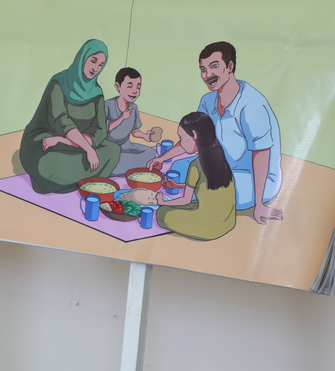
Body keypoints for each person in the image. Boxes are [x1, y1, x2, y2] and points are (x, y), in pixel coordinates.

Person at [149, 41, 282, 224]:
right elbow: (194, 138)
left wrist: (259, 205)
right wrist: (162, 158)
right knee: (178, 168)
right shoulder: (208, 101)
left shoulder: (252, 105)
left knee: (211, 190)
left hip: (252, 175)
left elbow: (261, 154)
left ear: (230, 67)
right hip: (220, 165)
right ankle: (189, 189)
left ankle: (191, 197)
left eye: (214, 66)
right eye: (203, 69)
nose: (207, 75)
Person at [19, 39, 119, 193]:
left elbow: (100, 129)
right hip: (45, 142)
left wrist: (71, 142)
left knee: (113, 150)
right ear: (83, 57)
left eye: (101, 65)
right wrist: (88, 150)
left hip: (72, 144)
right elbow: (61, 121)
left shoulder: (96, 92)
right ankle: (78, 178)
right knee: (49, 162)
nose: (96, 68)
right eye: (93, 61)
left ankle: (71, 178)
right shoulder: (59, 83)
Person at [156, 112, 237, 240]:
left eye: (182, 138)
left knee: (162, 213)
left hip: (209, 228)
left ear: (194, 135)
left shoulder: (196, 164)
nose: (181, 143)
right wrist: (178, 185)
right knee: (193, 204)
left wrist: (163, 202)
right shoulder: (220, 156)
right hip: (227, 222)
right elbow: (207, 186)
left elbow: (185, 200)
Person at [104, 67, 157, 176]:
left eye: (138, 87)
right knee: (112, 160)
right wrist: (122, 118)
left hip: (126, 145)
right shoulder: (108, 105)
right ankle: (122, 167)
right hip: (109, 147)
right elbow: (103, 129)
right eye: (129, 86)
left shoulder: (133, 107)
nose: (135, 91)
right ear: (118, 87)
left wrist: (145, 136)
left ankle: (122, 167)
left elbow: (135, 131)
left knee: (151, 152)